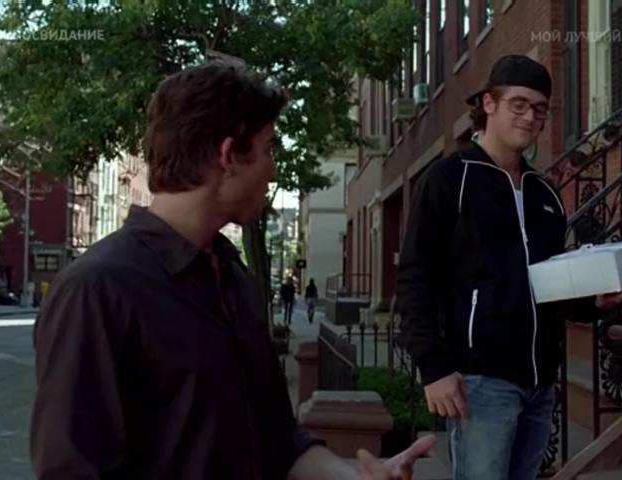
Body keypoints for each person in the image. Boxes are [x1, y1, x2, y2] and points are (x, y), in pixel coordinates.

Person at [30, 60, 432, 480]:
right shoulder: (96, 289)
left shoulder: (233, 277)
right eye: (268, 149)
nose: (273, 168)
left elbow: (277, 439)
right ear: (228, 156)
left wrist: (357, 476)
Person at [395, 55, 622, 480]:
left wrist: (594, 303)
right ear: (489, 103)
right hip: (481, 380)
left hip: (539, 382)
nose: (530, 117)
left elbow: (547, 284)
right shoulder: (449, 179)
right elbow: (415, 276)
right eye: (519, 104)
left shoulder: (543, 191)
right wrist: (433, 367)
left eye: (540, 109)